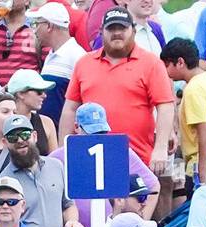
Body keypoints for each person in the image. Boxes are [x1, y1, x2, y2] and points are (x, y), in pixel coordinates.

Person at [60, 8, 175, 172]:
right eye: (111, 28)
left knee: (140, 197)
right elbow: (70, 109)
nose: (117, 33)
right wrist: (65, 150)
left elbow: (165, 106)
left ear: (134, 31)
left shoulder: (151, 63)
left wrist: (160, 148)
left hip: (137, 157)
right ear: (101, 32)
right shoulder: (84, 63)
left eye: (122, 28)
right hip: (91, 157)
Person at [161, 37, 206, 190]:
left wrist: (202, 176)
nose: (165, 71)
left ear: (180, 62)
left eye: (167, 65)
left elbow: (205, 132)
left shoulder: (194, 89)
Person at [0, 114, 79, 227]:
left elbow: (68, 205)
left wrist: (72, 223)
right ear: (5, 143)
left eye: (25, 134)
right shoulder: (3, 183)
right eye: (13, 137)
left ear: (35, 136)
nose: (20, 140)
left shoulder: (56, 166)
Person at [30, 3, 84, 122]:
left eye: (37, 24)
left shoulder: (78, 56)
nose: (34, 31)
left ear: (49, 26)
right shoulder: (51, 55)